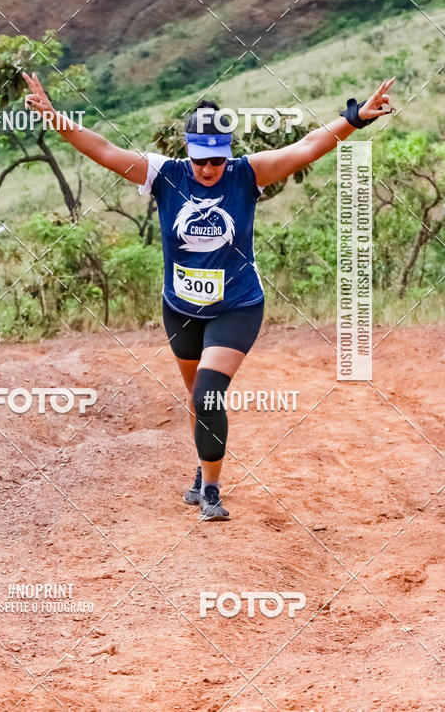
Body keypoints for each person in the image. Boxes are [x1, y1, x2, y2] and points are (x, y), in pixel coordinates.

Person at [24, 72, 396, 521]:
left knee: (207, 395)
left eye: (217, 160)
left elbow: (306, 147)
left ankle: (212, 490)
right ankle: (204, 466)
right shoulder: (164, 174)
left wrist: (354, 118)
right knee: (196, 397)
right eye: (201, 160)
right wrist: (55, 118)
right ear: (188, 150)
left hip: (237, 305)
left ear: (228, 152)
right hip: (180, 308)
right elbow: (102, 149)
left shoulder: (247, 174)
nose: (208, 169)